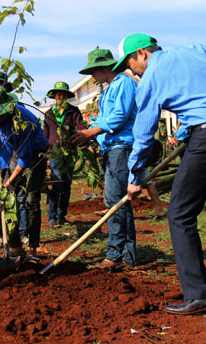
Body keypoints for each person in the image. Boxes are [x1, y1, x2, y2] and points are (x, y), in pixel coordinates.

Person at [119, 33, 206, 315]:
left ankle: (200, 293)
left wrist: (134, 178)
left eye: (130, 65)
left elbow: (143, 136)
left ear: (141, 53)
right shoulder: (194, 50)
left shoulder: (150, 80)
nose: (133, 72)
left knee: (179, 213)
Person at [72, 48, 139, 269]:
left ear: (104, 68)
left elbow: (118, 117)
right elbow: (104, 119)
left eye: (93, 71)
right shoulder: (111, 88)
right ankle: (127, 256)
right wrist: (91, 140)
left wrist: (90, 133)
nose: (92, 77)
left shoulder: (123, 84)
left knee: (114, 202)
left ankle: (114, 254)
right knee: (120, 202)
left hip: (121, 149)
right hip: (112, 149)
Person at [0, 86, 48, 259]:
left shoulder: (22, 121)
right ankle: (15, 246)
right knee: (9, 199)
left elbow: (25, 159)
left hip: (35, 157)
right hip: (15, 155)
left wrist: (9, 180)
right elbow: (8, 151)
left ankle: (33, 246)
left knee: (31, 201)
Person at [43, 81, 86, 227]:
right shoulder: (48, 114)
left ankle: (62, 216)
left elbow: (80, 127)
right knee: (57, 184)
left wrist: (85, 140)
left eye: (63, 94)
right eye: (58, 94)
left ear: (67, 96)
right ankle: (51, 217)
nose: (60, 96)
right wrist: (45, 154)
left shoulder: (74, 111)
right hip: (54, 154)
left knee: (66, 186)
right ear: (54, 96)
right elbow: (45, 135)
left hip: (70, 153)